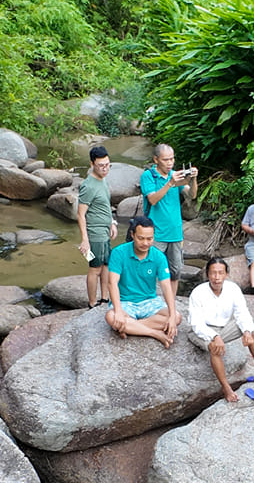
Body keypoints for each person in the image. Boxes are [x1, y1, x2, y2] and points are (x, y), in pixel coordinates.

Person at [187, 258, 254, 403]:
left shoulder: (233, 289)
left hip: (225, 327)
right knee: (214, 348)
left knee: (252, 328)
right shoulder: (198, 293)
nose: (217, 277)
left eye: (220, 273)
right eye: (213, 273)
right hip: (202, 331)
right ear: (207, 274)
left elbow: (241, 313)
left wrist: (246, 332)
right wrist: (214, 336)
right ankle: (226, 387)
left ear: (226, 274)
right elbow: (196, 324)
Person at [104, 216, 179, 347]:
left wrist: (172, 315)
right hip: (125, 302)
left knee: (177, 316)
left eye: (149, 239)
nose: (145, 243)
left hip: (149, 301)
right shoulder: (119, 253)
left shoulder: (159, 257)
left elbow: (166, 286)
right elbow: (112, 283)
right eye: (141, 238)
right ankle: (155, 333)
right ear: (132, 235)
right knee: (111, 317)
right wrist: (119, 311)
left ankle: (130, 328)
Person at [139, 143, 196, 278]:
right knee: (151, 271)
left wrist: (193, 179)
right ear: (156, 159)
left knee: (175, 272)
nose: (170, 163)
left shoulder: (175, 175)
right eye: (166, 160)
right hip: (156, 233)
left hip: (175, 232)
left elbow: (191, 195)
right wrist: (170, 183)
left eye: (172, 159)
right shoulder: (148, 176)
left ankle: (172, 299)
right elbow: (152, 200)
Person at [77, 145, 119, 308]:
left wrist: (112, 223)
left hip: (104, 232)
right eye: (101, 165)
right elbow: (80, 214)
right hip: (94, 235)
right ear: (91, 164)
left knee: (107, 265)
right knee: (95, 268)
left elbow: (105, 205)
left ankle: (105, 298)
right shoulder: (89, 186)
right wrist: (84, 240)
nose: (105, 168)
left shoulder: (102, 180)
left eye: (108, 165)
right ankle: (93, 303)